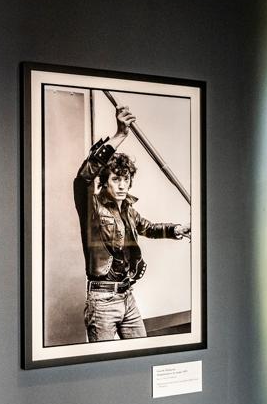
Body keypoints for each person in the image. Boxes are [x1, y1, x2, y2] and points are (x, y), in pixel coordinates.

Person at [73, 104, 190, 342]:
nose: (122, 185)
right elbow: (83, 178)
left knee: (142, 354)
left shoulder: (127, 210)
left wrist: (177, 229)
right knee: (104, 362)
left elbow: (149, 228)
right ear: (104, 182)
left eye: (125, 180)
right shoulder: (92, 208)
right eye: (116, 179)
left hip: (127, 297)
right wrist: (120, 135)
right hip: (102, 302)